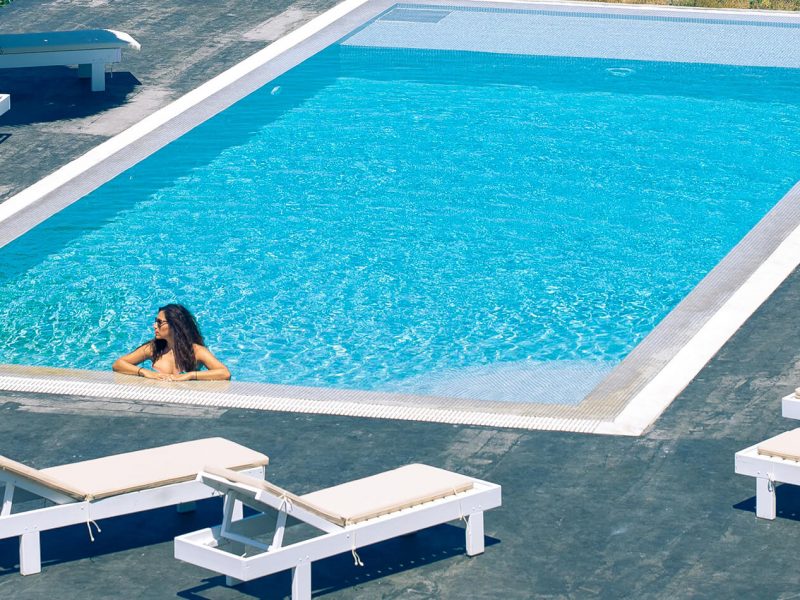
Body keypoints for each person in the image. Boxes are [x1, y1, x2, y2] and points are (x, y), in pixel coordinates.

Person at [112, 304, 231, 381]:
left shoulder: (196, 351)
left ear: (175, 325)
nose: (154, 326)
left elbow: (224, 373)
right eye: (155, 321)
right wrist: (145, 372)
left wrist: (190, 375)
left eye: (159, 322)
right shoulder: (154, 349)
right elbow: (118, 364)